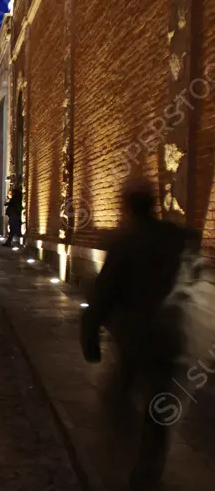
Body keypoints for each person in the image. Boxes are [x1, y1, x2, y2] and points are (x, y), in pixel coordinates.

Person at [81, 181, 196, 491]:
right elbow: (191, 262)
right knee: (159, 408)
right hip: (168, 335)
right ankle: (148, 471)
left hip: (133, 336)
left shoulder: (125, 242)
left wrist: (90, 334)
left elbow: (104, 291)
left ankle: (121, 460)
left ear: (127, 206)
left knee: (119, 397)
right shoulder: (174, 237)